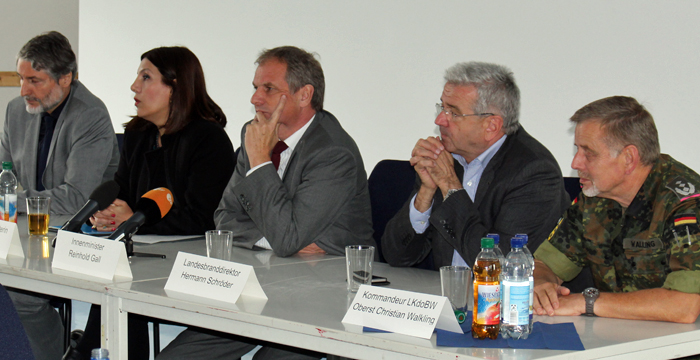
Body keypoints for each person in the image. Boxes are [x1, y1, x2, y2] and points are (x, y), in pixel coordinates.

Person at [157, 46, 373, 360]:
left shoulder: (332, 152)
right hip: (260, 284)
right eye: (256, 88)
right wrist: (275, 237)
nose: (255, 99)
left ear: (304, 95)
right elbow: (225, 218)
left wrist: (259, 163)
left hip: (321, 298)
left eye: (268, 89)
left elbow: (286, 237)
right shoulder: (255, 133)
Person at [64, 46, 236, 360]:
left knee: (120, 287)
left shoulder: (209, 140)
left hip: (190, 264)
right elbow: (123, 194)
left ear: (176, 88)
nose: (134, 86)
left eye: (146, 77)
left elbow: (206, 218)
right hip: (142, 261)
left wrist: (137, 217)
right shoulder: (137, 134)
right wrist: (107, 215)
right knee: (112, 285)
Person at [0, 31, 119, 360]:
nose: (24, 90)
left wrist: (12, 201)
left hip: (76, 238)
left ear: (65, 78)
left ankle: (61, 355)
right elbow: (4, 176)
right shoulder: (15, 110)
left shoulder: (90, 115)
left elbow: (76, 198)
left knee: (18, 296)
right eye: (22, 79)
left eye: (34, 81)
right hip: (28, 235)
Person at [381, 62, 569, 269]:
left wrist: (451, 187)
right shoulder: (445, 158)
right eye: (442, 107)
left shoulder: (534, 172)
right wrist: (426, 192)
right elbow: (397, 256)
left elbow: (499, 267)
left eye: (453, 113)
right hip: (442, 294)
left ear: (491, 126)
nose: (439, 120)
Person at [533, 96, 700, 323]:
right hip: (620, 337)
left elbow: (685, 307)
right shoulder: (593, 198)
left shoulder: (686, 204)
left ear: (628, 158)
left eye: (588, 152)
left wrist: (586, 302)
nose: (575, 163)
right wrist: (542, 286)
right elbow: (545, 264)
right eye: (577, 150)